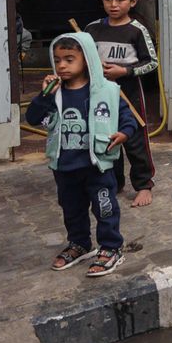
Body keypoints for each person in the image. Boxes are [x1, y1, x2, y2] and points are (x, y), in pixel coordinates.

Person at [26, 32, 135, 276]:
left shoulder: (107, 90)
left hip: (97, 165)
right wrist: (45, 95)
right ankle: (79, 244)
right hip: (65, 166)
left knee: (105, 208)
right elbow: (33, 118)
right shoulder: (54, 93)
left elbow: (127, 117)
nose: (62, 65)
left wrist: (124, 133)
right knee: (71, 209)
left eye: (69, 59)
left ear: (86, 60)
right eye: (57, 60)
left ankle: (111, 247)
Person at [83, 0, 158, 208]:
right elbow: (82, 59)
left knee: (135, 140)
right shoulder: (91, 30)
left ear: (132, 1)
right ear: (102, 0)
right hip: (101, 95)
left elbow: (151, 63)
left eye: (120, 0)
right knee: (106, 136)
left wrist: (124, 71)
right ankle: (113, 182)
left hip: (130, 94)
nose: (113, 5)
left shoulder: (137, 30)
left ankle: (144, 185)